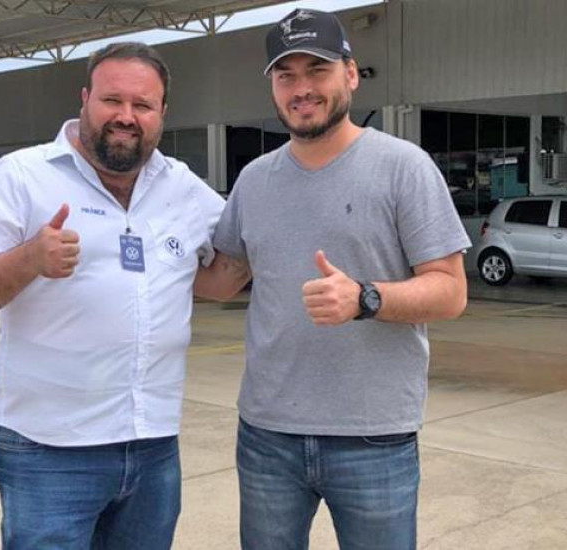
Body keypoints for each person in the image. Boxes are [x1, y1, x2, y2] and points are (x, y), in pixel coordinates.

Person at [194, 8, 471, 550]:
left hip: (373, 435)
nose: (302, 88)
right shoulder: (255, 180)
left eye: (316, 70)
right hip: (268, 433)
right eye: (286, 75)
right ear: (273, 87)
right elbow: (222, 279)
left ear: (349, 73)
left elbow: (451, 289)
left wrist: (365, 298)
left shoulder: (403, 167)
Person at [0, 42, 224, 550]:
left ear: (162, 113)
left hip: (153, 443)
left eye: (142, 105)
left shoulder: (182, 186)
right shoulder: (21, 175)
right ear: (84, 100)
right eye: (111, 100)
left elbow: (228, 267)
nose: (126, 116)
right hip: (48, 448)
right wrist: (30, 258)